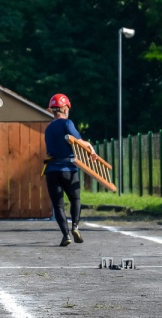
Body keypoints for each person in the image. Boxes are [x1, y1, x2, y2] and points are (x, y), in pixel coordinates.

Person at [43, 93, 96, 247]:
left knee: (58, 205)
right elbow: (79, 142)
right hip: (68, 169)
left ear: (52, 110)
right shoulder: (67, 123)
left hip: (52, 170)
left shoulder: (48, 129)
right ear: (65, 108)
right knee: (75, 199)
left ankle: (66, 235)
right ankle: (75, 227)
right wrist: (91, 148)